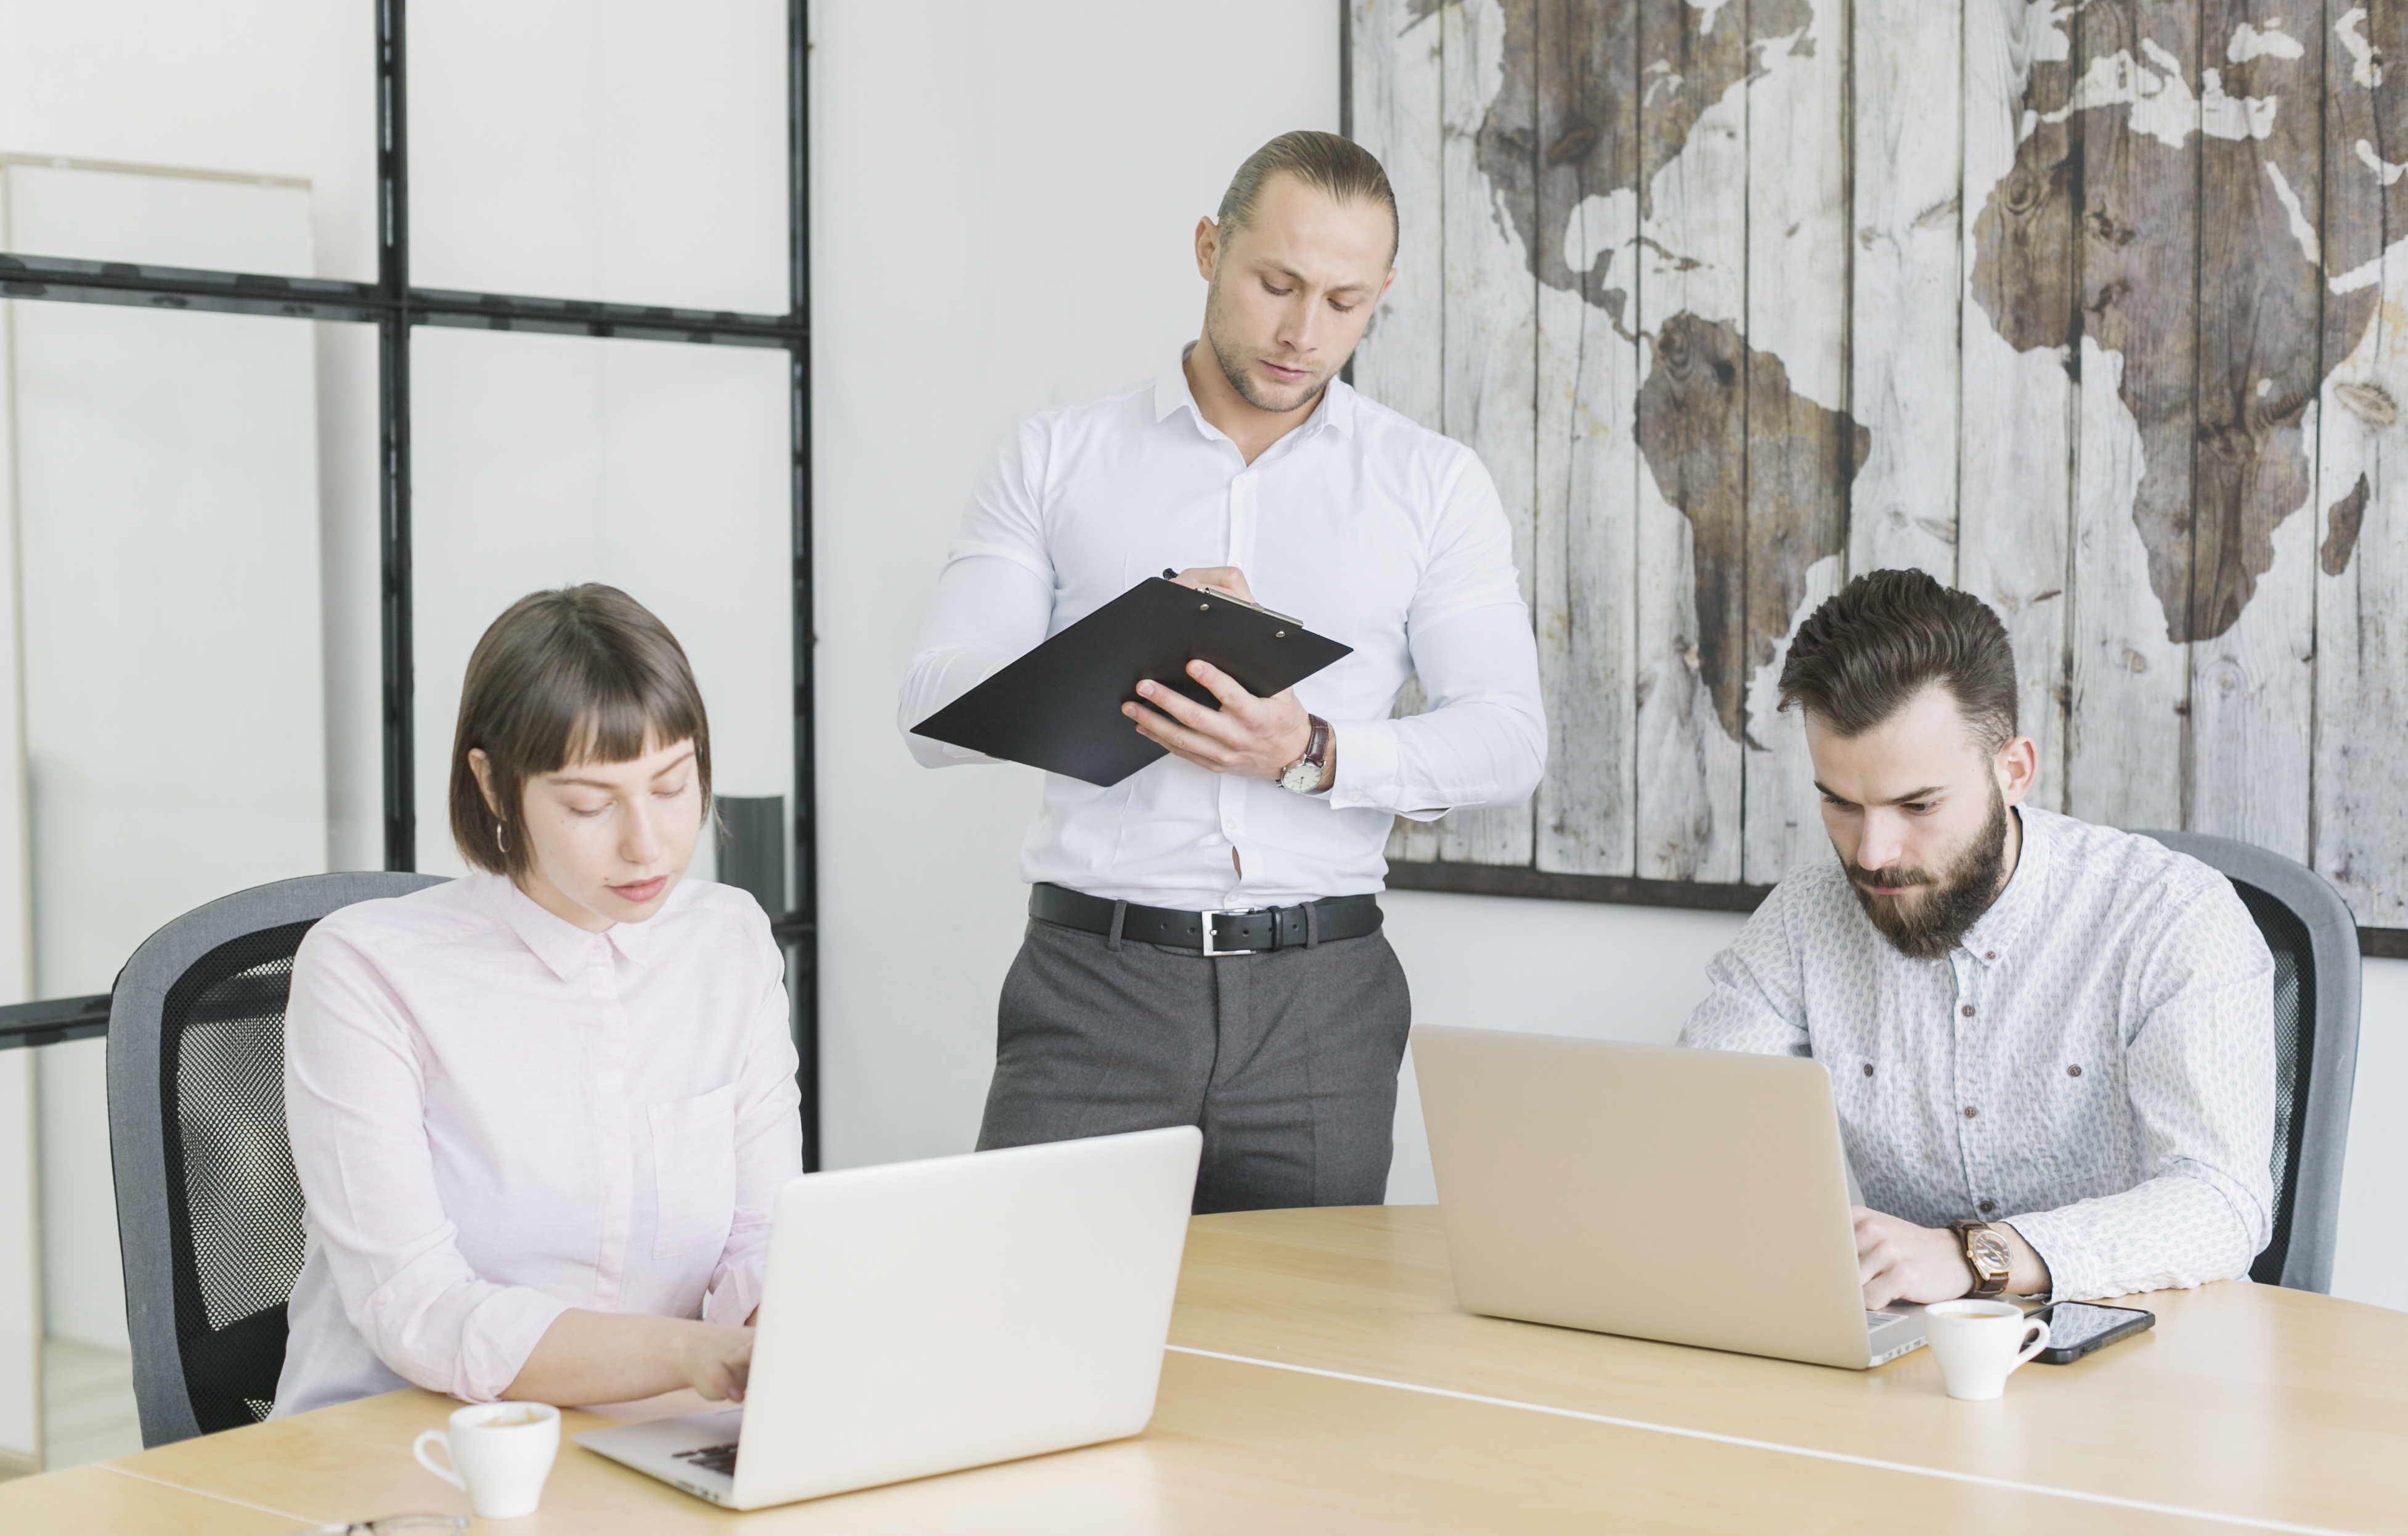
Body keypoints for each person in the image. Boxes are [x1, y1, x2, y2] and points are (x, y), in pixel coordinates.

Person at [898, 131, 1546, 1212]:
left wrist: (1311, 751)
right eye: (1275, 283)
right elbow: (932, 712)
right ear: (1209, 248)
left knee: (1306, 1360)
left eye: (1344, 302)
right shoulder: (1056, 455)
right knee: (1031, 1333)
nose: (1302, 333)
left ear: (1381, 294)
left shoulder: (1430, 484)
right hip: (1091, 989)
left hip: (1322, 1001)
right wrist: (1126, 636)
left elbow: (1508, 738)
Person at [272, 585, 801, 1417]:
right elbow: (419, 1305)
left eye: (672, 786)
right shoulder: (367, 969)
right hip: (403, 1440)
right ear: (492, 783)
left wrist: (792, 1336)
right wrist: (689, 1351)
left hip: (641, 1436)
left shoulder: (726, 941)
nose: (648, 843)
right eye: (591, 805)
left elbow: (763, 1237)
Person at [1680, 569, 2275, 1306]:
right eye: (1840, 803)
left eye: (1917, 804)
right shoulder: (1804, 918)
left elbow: (2221, 1203)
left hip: (2148, 1355)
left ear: (2013, 770)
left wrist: (1975, 1257)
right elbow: (1691, 1134)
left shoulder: (2172, 915)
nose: (1870, 853)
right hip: (1919, 1366)